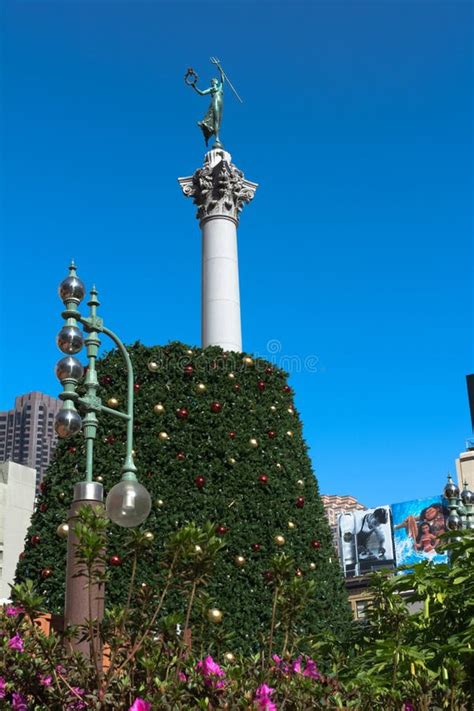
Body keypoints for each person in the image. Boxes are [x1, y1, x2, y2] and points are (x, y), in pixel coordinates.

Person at [191, 59, 225, 148]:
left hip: (220, 102)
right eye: (213, 81)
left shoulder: (220, 87)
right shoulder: (211, 90)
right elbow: (202, 93)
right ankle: (217, 138)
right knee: (215, 119)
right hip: (215, 102)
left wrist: (218, 66)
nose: (214, 81)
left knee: (219, 120)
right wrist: (194, 87)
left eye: (215, 81)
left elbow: (222, 77)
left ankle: (217, 136)